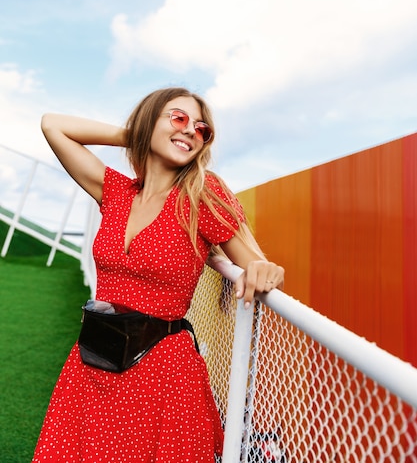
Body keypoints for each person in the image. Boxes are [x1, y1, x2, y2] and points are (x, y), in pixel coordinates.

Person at [32, 86, 285, 462]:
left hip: (161, 372)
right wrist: (138, 132)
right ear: (150, 121)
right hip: (93, 362)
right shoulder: (116, 191)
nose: (190, 132)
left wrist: (266, 268)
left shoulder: (201, 194)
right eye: (178, 119)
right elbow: (53, 126)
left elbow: (253, 261)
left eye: (201, 129)